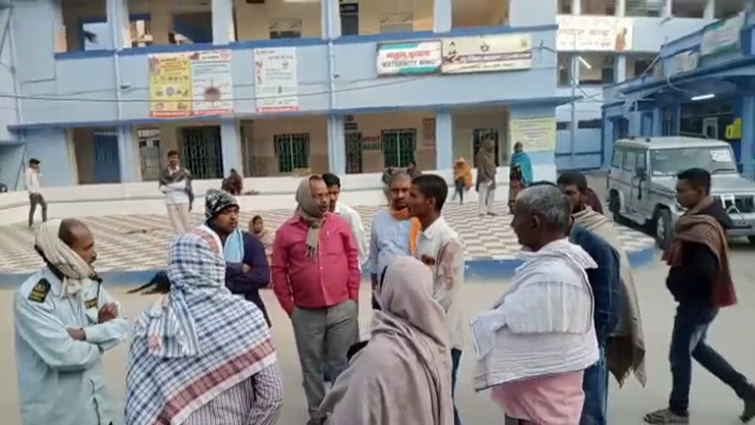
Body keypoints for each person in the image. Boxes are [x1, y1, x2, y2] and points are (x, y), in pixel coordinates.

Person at [125, 227, 283, 425]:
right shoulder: (247, 315)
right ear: (217, 264)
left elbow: (139, 403)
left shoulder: (150, 321)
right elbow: (272, 395)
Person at [471, 185, 599, 425]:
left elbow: (504, 330)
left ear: (534, 223)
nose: (511, 225)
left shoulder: (553, 275)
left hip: (540, 412)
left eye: (515, 216)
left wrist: (488, 320)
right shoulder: (556, 268)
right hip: (537, 407)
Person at [644, 168, 755, 425]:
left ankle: (678, 411)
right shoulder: (700, 217)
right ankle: (747, 391)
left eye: (682, 191)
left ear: (700, 191)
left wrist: (676, 283)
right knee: (697, 349)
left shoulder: (703, 226)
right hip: (702, 301)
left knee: (679, 353)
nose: (678, 195)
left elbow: (704, 271)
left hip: (698, 303)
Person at [14, 218, 129, 425]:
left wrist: (86, 334)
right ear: (62, 252)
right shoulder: (33, 297)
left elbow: (123, 324)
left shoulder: (88, 284)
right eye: (86, 248)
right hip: (61, 417)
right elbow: (65, 356)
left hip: (99, 412)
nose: (93, 254)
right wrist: (104, 331)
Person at [318, 256, 454, 425]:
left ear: (391, 292)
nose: (376, 289)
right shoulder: (438, 342)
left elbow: (350, 415)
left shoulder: (376, 358)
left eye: (381, 285)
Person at [271, 175, 360, 425]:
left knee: (341, 363)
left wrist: (352, 297)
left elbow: (353, 258)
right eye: (318, 195)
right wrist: (291, 308)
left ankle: (343, 414)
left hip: (342, 307)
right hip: (306, 312)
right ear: (304, 197)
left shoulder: (339, 225)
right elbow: (278, 271)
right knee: (311, 367)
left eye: (326, 195)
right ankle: (318, 415)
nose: (324, 200)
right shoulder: (286, 232)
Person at [558, 172, 647, 394]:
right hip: (571, 321)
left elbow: (617, 279)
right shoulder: (560, 226)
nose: (564, 198)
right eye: (560, 193)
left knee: (594, 393)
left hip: (597, 322)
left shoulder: (598, 230)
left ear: (584, 195)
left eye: (570, 193)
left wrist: (598, 332)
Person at [408, 174, 465, 425]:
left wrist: (416, 318)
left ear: (430, 202)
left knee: (443, 403)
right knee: (429, 402)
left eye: (413, 195)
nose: (406, 200)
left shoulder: (447, 240)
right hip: (423, 334)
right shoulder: (422, 235)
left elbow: (445, 294)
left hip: (443, 338)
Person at [205, 189, 272, 326]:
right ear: (211, 215)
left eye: (235, 211)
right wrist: (238, 268)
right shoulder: (198, 243)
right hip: (209, 318)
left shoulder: (249, 242)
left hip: (248, 317)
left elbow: (262, 276)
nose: (233, 217)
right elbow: (197, 274)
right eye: (226, 212)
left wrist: (223, 285)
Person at [368, 171, 421, 310]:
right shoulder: (378, 221)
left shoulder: (422, 220)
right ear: (388, 193)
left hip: (415, 294)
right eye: (395, 191)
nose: (400, 195)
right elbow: (374, 261)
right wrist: (374, 293)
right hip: (385, 293)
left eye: (405, 190)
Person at [322, 172, 368, 268]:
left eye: (335, 193)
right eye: (328, 193)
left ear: (339, 192)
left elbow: (360, 246)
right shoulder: (315, 216)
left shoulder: (349, 215)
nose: (332, 198)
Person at [159, 149, 194, 233]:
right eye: (171, 158)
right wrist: (175, 186)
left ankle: (188, 239)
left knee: (186, 223)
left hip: (183, 200)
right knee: (175, 224)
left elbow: (183, 186)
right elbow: (162, 188)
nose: (173, 160)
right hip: (170, 201)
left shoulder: (184, 172)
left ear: (178, 159)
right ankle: (180, 239)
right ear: (168, 159)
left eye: (175, 157)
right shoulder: (164, 173)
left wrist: (169, 186)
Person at [509, 142, 533, 212]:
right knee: (514, 194)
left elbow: (527, 167)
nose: (518, 149)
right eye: (517, 148)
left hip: (522, 179)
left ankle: (522, 208)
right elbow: (511, 167)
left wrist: (520, 167)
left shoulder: (525, 157)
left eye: (519, 147)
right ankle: (513, 208)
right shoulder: (513, 156)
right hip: (514, 178)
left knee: (522, 193)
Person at [476, 138, 497, 216]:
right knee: (483, 194)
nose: (492, 146)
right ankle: (481, 211)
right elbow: (480, 165)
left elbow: (493, 163)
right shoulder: (481, 152)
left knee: (491, 193)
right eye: (490, 145)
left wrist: (494, 170)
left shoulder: (492, 152)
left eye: (493, 145)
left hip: (492, 175)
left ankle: (490, 209)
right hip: (483, 175)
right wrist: (483, 175)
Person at [25, 158, 47, 228]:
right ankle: (31, 222)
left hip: (37, 192)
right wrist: (32, 192)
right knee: (34, 208)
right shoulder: (28, 171)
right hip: (33, 193)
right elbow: (28, 182)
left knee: (43, 206)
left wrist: (38, 171)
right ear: (32, 164)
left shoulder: (35, 172)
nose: (37, 165)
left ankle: (43, 220)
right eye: (35, 164)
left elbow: (39, 178)